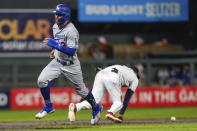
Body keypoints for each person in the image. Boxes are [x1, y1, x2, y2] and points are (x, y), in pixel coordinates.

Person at [35, 4, 102, 125]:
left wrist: (55, 45)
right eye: (56, 13)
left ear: (65, 16)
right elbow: (60, 42)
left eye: (59, 14)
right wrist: (54, 50)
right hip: (57, 61)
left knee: (82, 91)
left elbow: (71, 51)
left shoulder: (72, 31)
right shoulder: (55, 26)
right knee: (41, 80)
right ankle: (48, 106)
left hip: (71, 64)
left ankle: (96, 108)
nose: (56, 16)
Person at [68, 65, 140, 123]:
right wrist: (121, 114)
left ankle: (76, 107)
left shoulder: (121, 68)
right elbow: (128, 96)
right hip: (113, 77)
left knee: (93, 101)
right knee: (119, 102)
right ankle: (110, 112)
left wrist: (87, 95)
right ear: (136, 73)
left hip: (100, 73)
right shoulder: (135, 78)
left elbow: (99, 81)